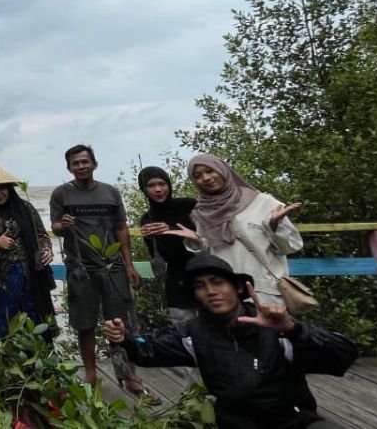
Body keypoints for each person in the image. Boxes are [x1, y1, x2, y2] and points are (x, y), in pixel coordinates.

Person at [104, 255, 356, 428]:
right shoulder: (193, 332)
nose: (211, 291)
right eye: (201, 286)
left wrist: (293, 329)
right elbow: (147, 349)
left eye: (217, 282)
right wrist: (123, 337)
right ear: (195, 295)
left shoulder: (274, 322)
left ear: (237, 287)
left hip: (294, 419)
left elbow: (341, 357)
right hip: (234, 423)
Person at [49, 145, 148, 397]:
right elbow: (55, 227)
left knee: (121, 323)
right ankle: (91, 374)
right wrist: (64, 225)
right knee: (85, 324)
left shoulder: (110, 193)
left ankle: (128, 376)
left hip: (113, 266)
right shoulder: (61, 194)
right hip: (80, 267)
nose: (81, 167)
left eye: (85, 162)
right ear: (69, 167)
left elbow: (121, 229)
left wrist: (129, 264)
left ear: (94, 164)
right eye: (75, 163)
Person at [180, 154, 304, 306]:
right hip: (224, 295)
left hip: (266, 292)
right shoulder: (203, 212)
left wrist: (275, 227)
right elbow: (212, 255)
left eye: (210, 171)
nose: (205, 178)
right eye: (198, 176)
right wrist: (197, 243)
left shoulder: (263, 202)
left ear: (222, 170)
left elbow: (291, 246)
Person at [0, 164, 54, 337]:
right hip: (1, 277)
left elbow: (42, 235)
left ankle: (41, 359)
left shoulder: (26, 208)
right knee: (4, 320)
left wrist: (47, 250)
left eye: (2, 188)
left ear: (9, 189)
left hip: (31, 274)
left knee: (35, 319)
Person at [136, 166, 198, 324]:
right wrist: (151, 239)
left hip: (202, 271)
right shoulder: (147, 219)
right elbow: (159, 257)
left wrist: (171, 229)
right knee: (183, 328)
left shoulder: (189, 205)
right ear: (144, 190)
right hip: (177, 278)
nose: (158, 189)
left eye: (162, 184)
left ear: (169, 185)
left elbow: (207, 236)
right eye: (151, 186)